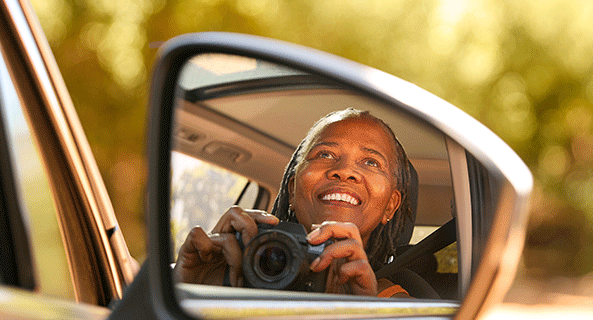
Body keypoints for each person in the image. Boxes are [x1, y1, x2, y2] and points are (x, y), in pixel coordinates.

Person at [175, 108, 414, 297]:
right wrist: (189, 290)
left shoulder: (393, 305)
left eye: (371, 162)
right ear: (292, 190)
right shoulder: (229, 271)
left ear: (391, 205)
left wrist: (364, 314)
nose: (344, 171)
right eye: (325, 154)